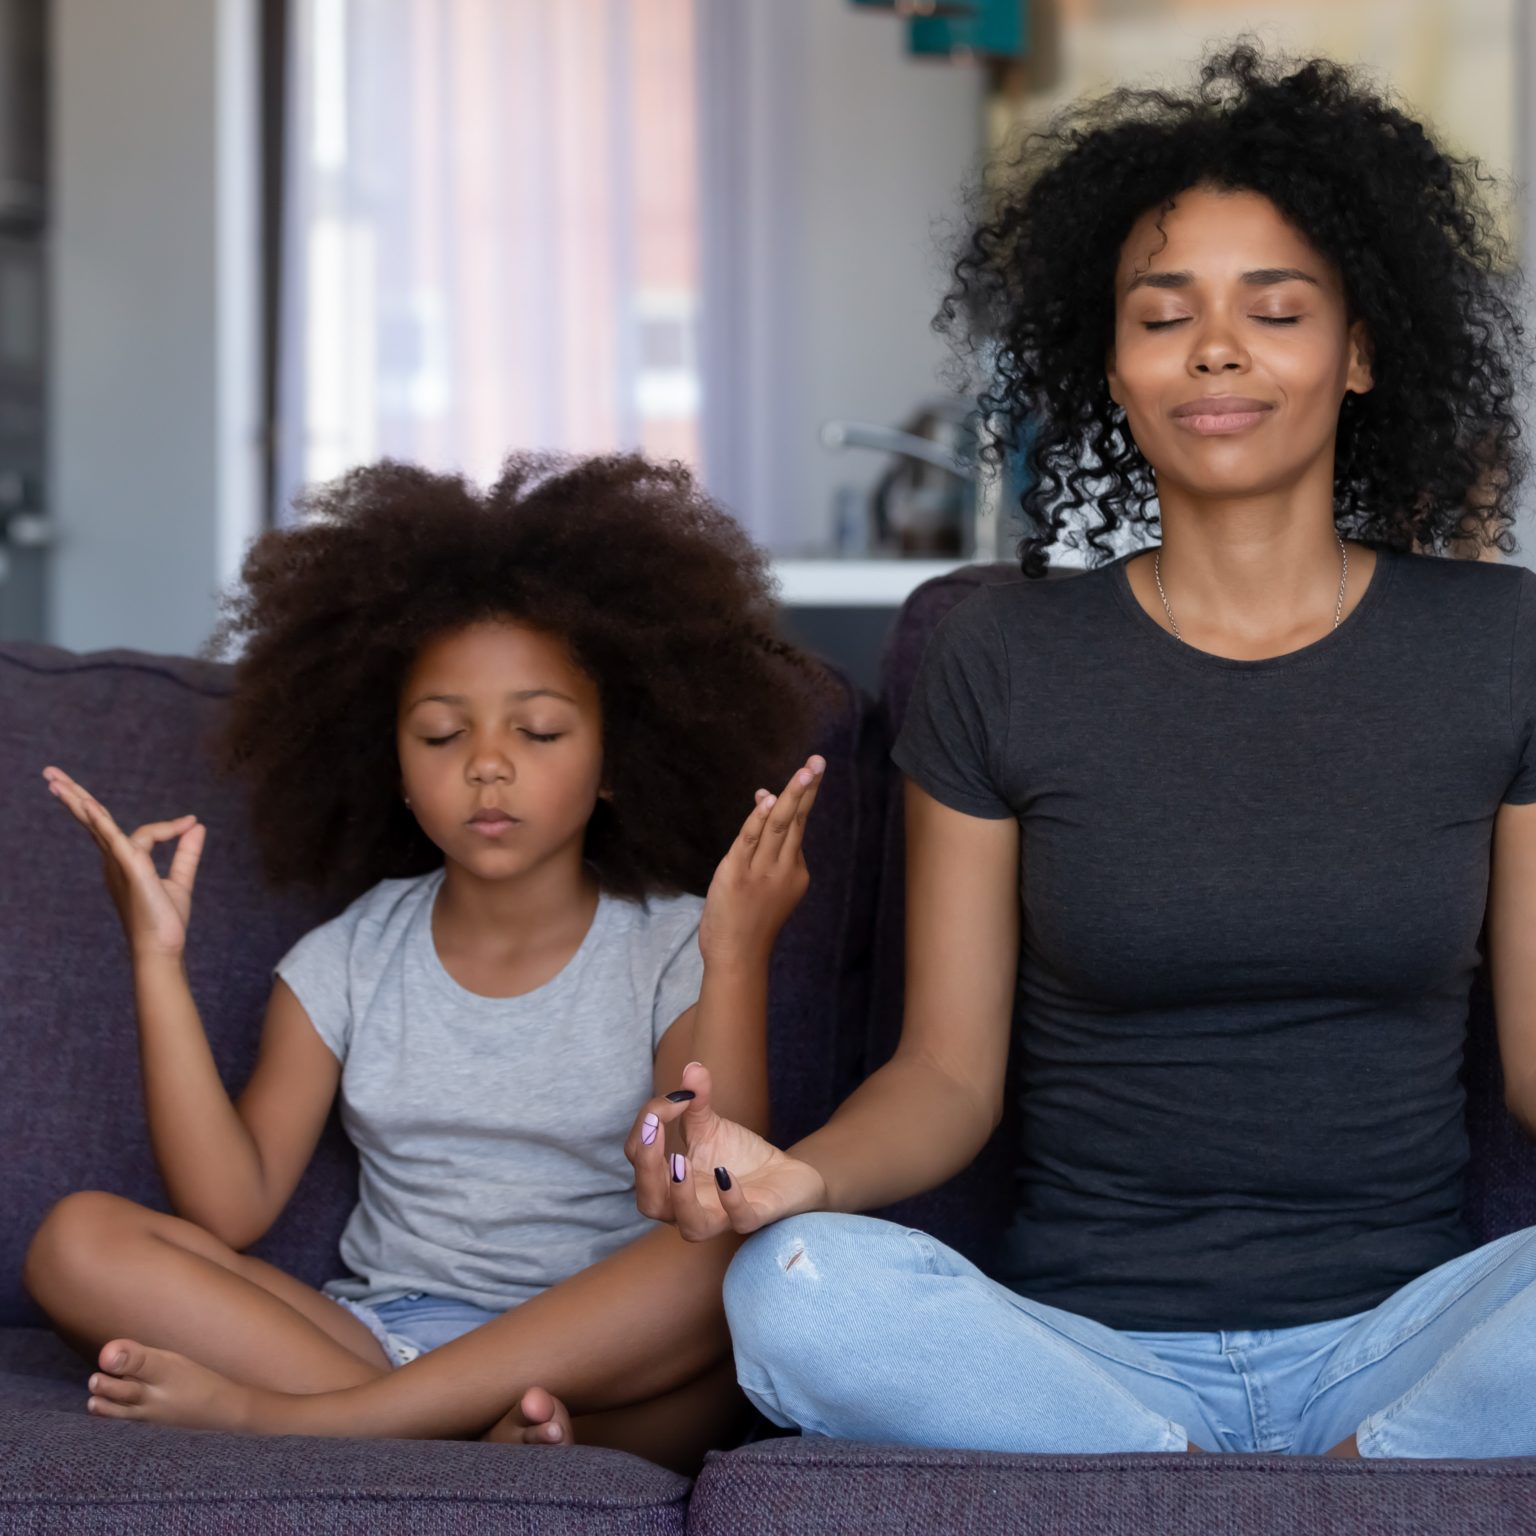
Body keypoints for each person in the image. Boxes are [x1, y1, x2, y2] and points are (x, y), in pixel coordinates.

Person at [626, 46, 1536, 1459]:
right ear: (1112, 367)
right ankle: (1216, 1486)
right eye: (1164, 316)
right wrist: (794, 1181)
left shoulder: (1501, 643)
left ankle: (1347, 1471)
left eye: (1275, 311)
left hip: (1400, 1343)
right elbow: (944, 1077)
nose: (1216, 349)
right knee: (795, 1290)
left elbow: (1533, 1070)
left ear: (1359, 350)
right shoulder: (1007, 659)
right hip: (1087, 1361)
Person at [24, 453, 826, 1472]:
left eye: (537, 730)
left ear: (617, 759)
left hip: (603, 1356)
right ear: (392, 767)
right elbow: (230, 1206)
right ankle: (480, 1436)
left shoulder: (671, 944)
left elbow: (703, 1183)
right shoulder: (350, 957)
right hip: (379, 1338)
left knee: (721, 1264)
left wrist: (738, 952)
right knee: (76, 1240)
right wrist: (154, 957)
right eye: (442, 734)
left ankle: (318, 1424)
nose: (488, 763)